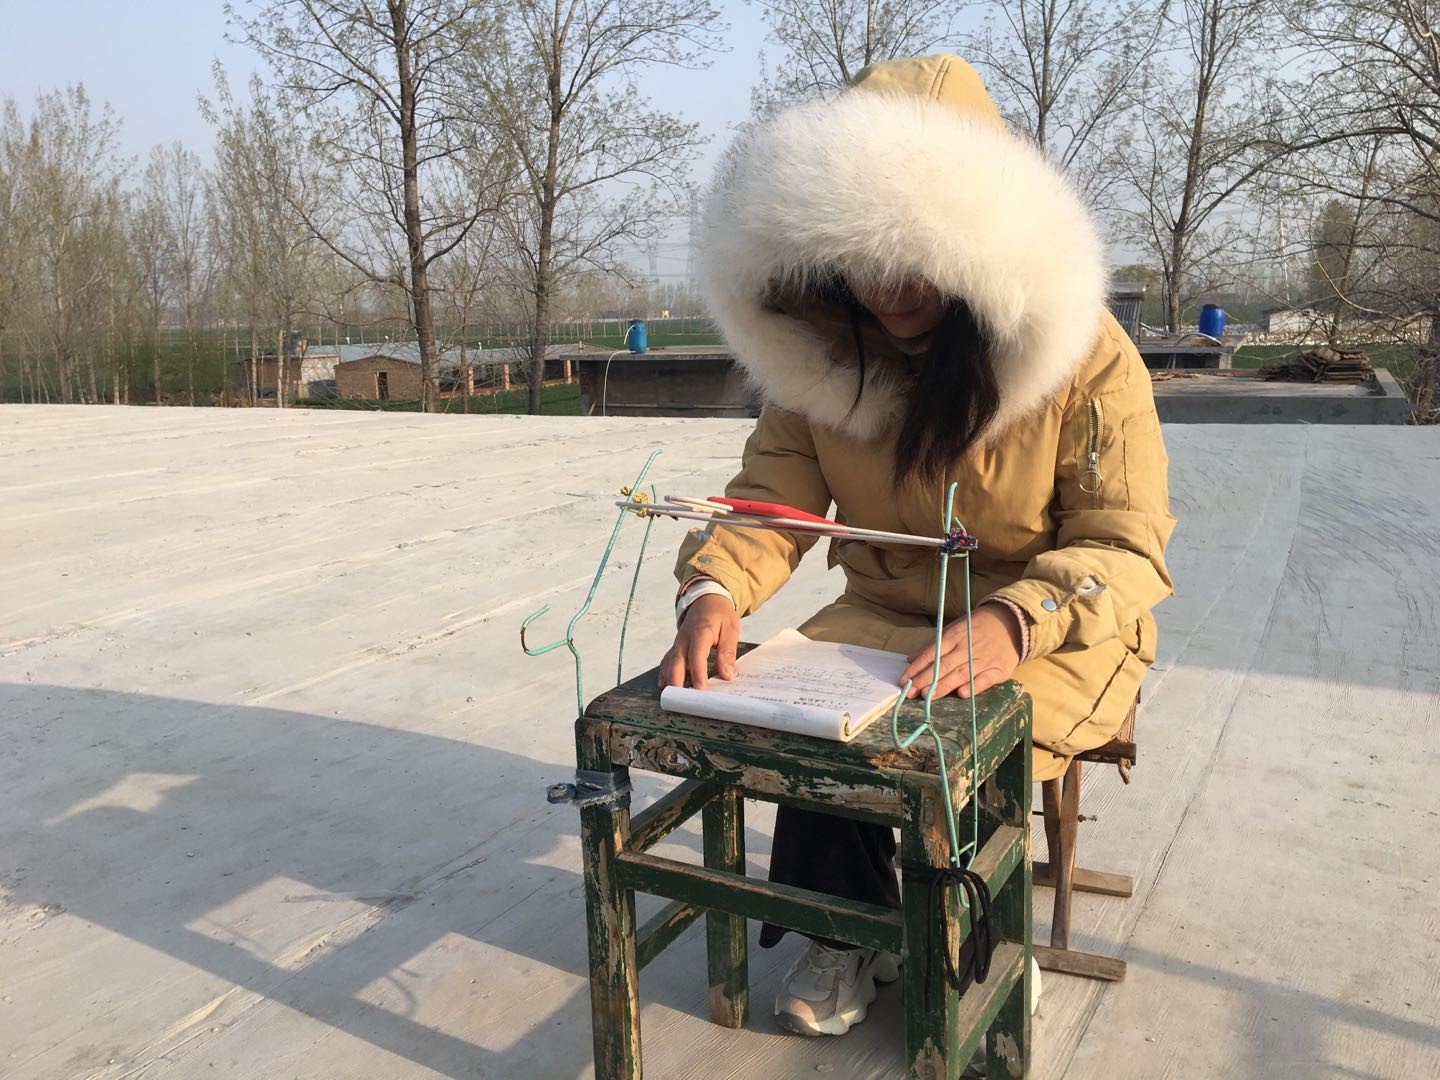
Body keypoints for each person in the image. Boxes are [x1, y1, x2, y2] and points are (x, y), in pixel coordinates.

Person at [659, 54, 1175, 1039]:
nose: (884, 289)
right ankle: (847, 929)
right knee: (811, 712)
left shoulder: (1088, 356)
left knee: (956, 737)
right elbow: (772, 499)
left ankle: (973, 927)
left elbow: (1126, 543)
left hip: (1054, 624)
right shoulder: (820, 352)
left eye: (915, 257)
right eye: (858, 254)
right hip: (884, 614)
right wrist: (712, 589)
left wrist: (1019, 619)